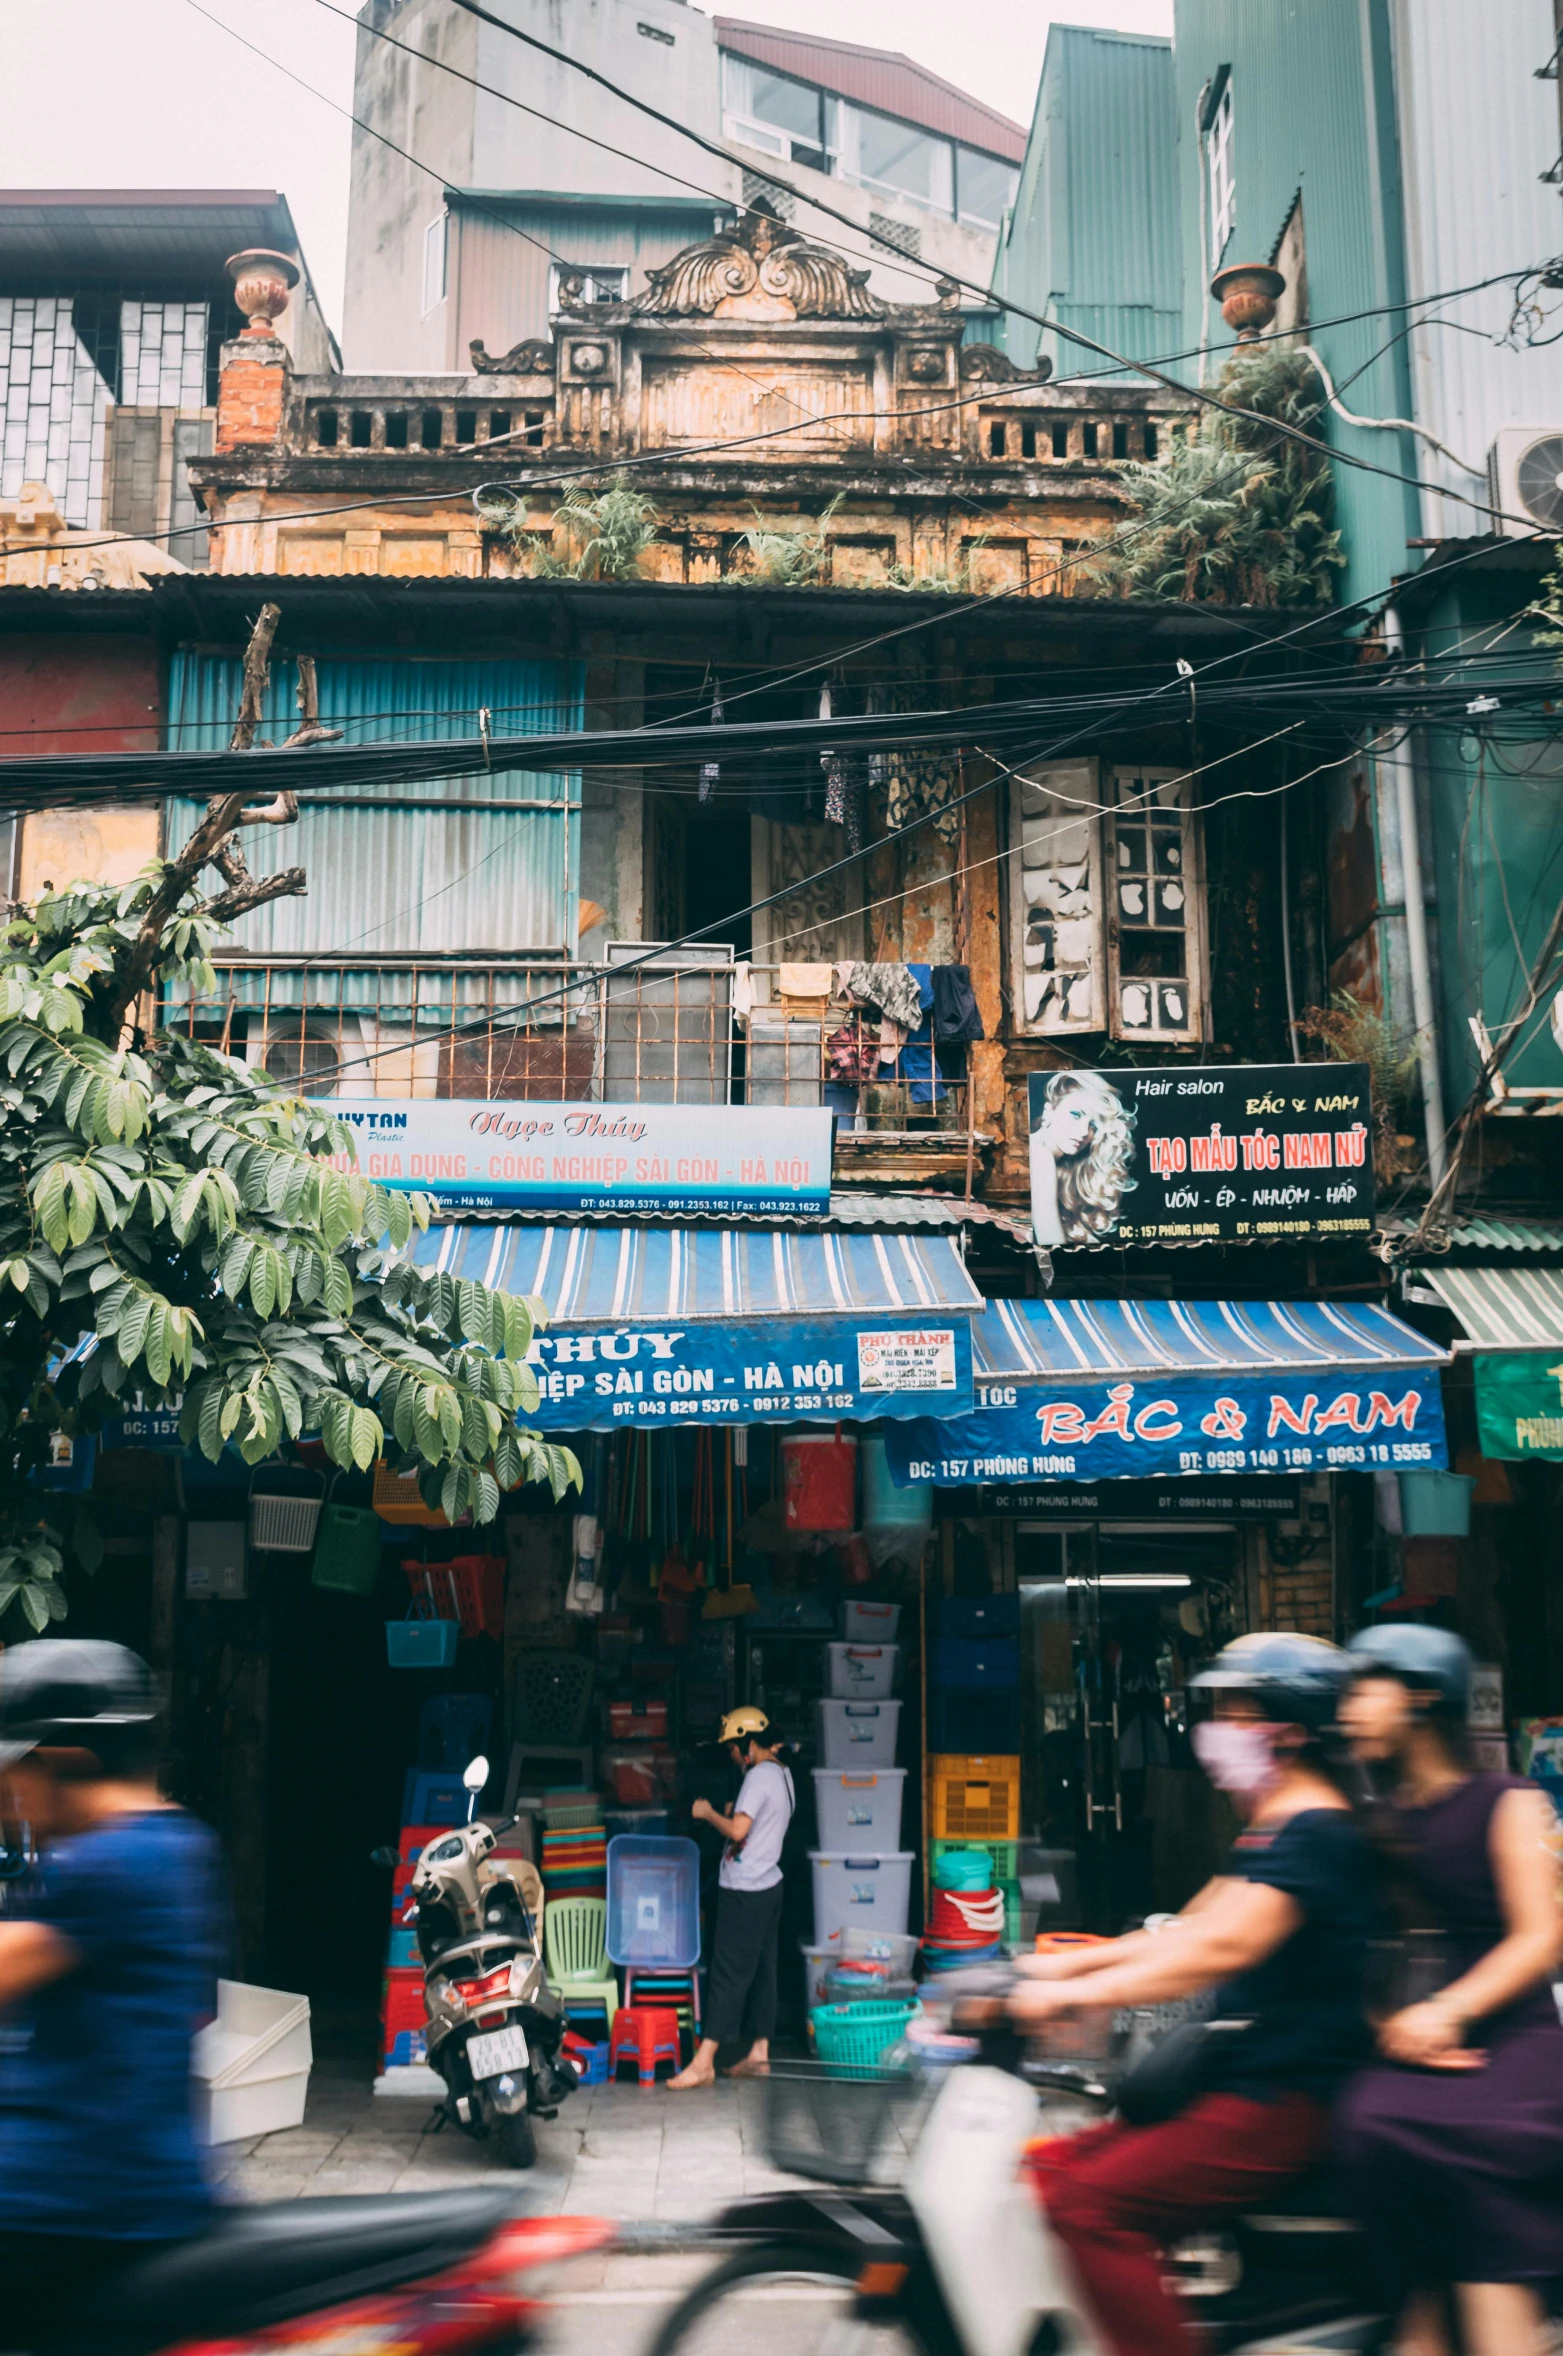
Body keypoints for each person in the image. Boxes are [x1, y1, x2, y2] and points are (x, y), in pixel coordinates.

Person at [1006, 1633, 1374, 2356]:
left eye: (1235, 1714)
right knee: (1051, 2170)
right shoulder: (1272, 1828)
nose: (1213, 1733)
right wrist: (1037, 1971)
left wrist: (1076, 1995)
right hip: (1242, 2081)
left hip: (1282, 2099)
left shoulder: (1319, 1831)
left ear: (1289, 1730)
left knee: (1090, 2208)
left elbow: (1221, 1948)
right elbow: (1182, 1928)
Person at [1335, 1625, 1563, 2356]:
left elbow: (1540, 1935)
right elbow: (1380, 1949)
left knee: (1469, 2142)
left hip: (1513, 2034)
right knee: (1371, 2117)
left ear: (1423, 1697)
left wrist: (1446, 2011)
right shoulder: (1386, 1819)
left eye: (1366, 1689)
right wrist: (1395, 2023)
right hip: (1430, 2037)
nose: (1348, 1710)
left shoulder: (1509, 1801)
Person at [0, 1640, 228, 2356]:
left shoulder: (111, 1862)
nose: (10, 1794)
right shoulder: (176, 1842)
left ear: (64, 1761)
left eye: (16, 1771)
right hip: (127, 2185)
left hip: (77, 2203)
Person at [669, 1708, 794, 2090]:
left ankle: (704, 2060)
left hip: (747, 1891)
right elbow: (757, 1825)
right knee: (762, 1971)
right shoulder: (783, 1775)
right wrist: (731, 1815)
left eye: (733, 1749)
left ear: (748, 1745)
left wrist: (708, 1814)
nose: (732, 1757)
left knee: (727, 1974)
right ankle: (759, 2052)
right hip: (769, 1884)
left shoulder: (758, 1777)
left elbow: (740, 1830)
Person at [1028, 1070, 1135, 1248]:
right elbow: (1053, 1245)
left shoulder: (1065, 1166)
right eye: (1076, 1115)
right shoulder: (1040, 1154)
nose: (1084, 1131)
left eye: (1093, 1125)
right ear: (1049, 1110)